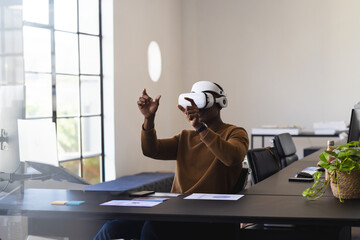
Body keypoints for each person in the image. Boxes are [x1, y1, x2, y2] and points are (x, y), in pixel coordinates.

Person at [94, 81, 249, 240]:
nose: (198, 106)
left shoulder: (235, 133)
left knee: (152, 229)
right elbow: (151, 150)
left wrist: (201, 128)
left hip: (207, 216)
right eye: (195, 100)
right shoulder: (186, 137)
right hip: (176, 210)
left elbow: (232, 157)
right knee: (111, 228)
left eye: (204, 100)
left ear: (221, 103)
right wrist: (149, 118)